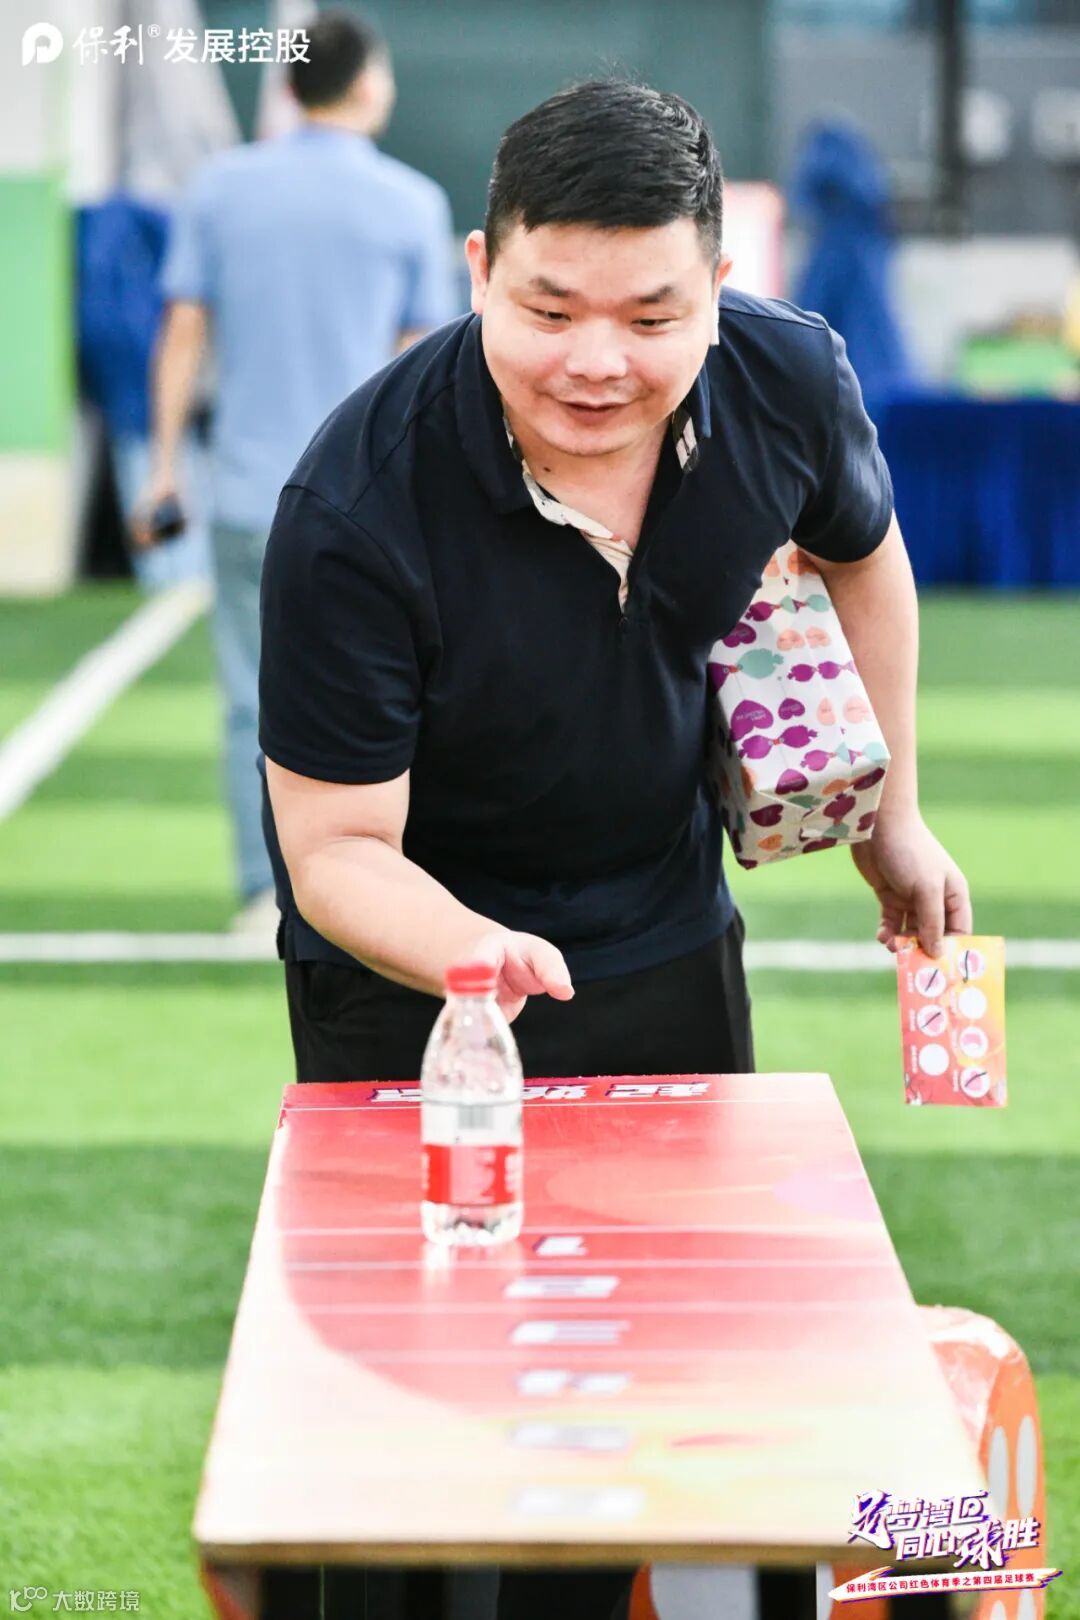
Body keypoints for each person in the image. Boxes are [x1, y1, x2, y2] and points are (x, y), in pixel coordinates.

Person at [258, 80, 973, 1620]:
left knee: (680, 1389)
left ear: (720, 285)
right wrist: (480, 953)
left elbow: (866, 555)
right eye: (549, 309)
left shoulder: (789, 380)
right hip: (415, 997)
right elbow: (333, 848)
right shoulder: (354, 504)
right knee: (411, 1445)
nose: (597, 360)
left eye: (652, 315)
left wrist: (892, 810)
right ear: (477, 271)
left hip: (664, 936)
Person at [139, 8, 456, 932]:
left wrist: (163, 466)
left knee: (252, 696)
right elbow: (422, 364)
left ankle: (261, 891)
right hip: (373, 502)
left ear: (287, 85)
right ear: (370, 83)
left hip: (249, 490)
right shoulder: (410, 201)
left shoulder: (219, 189)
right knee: (396, 695)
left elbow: (182, 333)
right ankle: (383, 886)